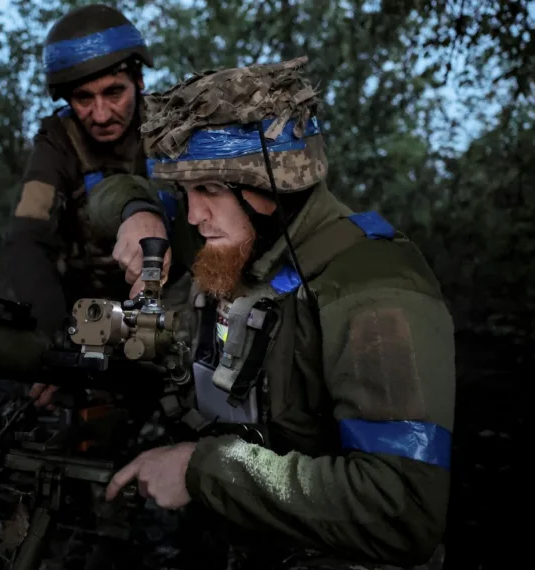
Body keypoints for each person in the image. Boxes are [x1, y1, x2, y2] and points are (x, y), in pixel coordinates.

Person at [92, 57, 455, 569]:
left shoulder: (375, 291)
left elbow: (400, 509)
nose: (193, 216)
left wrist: (203, 470)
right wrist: (140, 213)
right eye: (185, 193)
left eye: (210, 190)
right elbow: (110, 197)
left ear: (275, 184)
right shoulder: (243, 248)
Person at [1, 4, 188, 408]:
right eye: (83, 98)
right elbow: (27, 238)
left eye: (113, 92)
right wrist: (53, 337)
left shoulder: (173, 127)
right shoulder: (57, 141)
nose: (100, 115)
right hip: (86, 312)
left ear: (138, 80)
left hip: (172, 306)